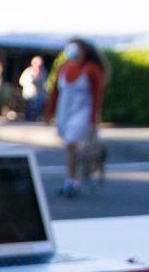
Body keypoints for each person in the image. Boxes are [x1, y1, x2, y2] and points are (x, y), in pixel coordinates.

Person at [45, 38, 106, 198]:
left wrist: (93, 121)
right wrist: (48, 113)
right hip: (65, 112)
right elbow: (54, 93)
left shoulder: (91, 69)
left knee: (72, 143)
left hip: (82, 113)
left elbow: (97, 96)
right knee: (70, 147)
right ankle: (72, 179)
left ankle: (73, 180)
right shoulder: (63, 68)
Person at [19, 56, 47, 121]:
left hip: (39, 95)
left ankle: (36, 118)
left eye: (40, 65)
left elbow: (45, 85)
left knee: (38, 107)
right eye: (37, 64)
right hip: (29, 94)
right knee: (28, 108)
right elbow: (21, 81)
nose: (38, 67)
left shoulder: (43, 72)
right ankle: (28, 119)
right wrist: (30, 81)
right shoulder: (28, 71)